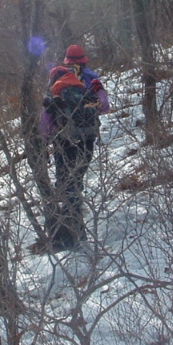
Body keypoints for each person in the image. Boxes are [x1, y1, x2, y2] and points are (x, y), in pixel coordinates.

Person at [36, 44, 111, 251]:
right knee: (76, 182)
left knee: (66, 185)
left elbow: (46, 118)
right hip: (86, 139)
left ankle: (73, 237)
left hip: (64, 140)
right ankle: (77, 234)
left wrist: (44, 143)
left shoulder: (57, 83)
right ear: (84, 60)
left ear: (66, 61)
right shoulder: (91, 79)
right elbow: (103, 106)